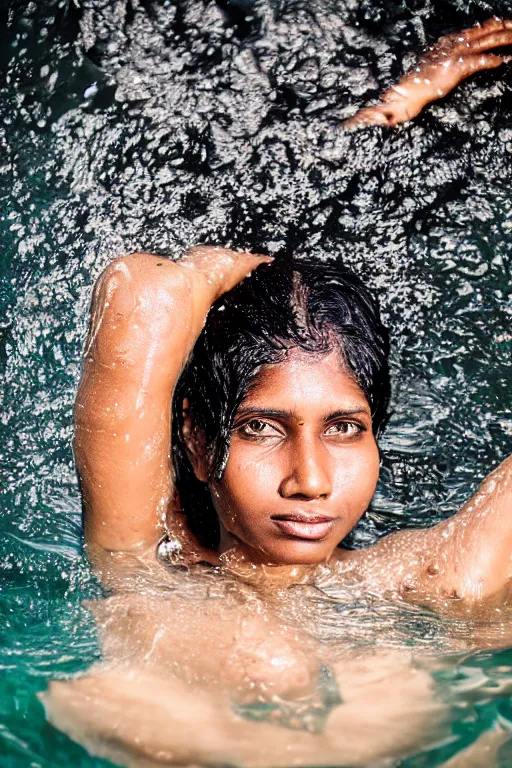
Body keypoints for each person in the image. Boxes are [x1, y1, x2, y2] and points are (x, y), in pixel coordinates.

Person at [45, 17, 512, 768]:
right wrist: (275, 264)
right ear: (198, 441)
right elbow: (143, 288)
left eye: (346, 429)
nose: (311, 480)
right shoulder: (145, 563)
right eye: (262, 428)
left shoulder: (426, 579)